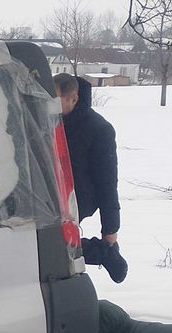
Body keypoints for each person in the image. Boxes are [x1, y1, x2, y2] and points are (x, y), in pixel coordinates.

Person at [53, 73, 128, 283]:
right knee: (47, 244)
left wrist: (110, 231)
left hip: (79, 199)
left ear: (73, 99)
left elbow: (107, 184)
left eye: (54, 98)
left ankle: (105, 253)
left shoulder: (99, 130)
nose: (48, 104)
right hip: (51, 195)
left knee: (53, 244)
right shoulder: (51, 121)